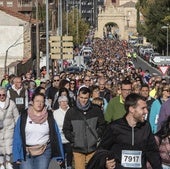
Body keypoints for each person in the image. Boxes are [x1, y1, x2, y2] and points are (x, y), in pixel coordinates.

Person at [95, 93, 162, 169]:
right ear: (132, 109)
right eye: (143, 108)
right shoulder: (115, 127)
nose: (146, 111)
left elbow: (152, 152)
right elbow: (102, 149)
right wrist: (105, 162)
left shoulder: (146, 127)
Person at [12, 93, 64, 169]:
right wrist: (17, 156)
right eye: (37, 101)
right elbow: (17, 136)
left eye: (42, 102)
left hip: (44, 150)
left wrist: (60, 155)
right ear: (32, 102)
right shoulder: (24, 116)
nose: (39, 104)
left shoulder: (49, 116)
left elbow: (56, 135)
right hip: (26, 151)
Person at [63, 87, 106, 169]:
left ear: (89, 97)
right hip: (78, 149)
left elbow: (102, 125)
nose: (83, 100)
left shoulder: (96, 110)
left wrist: (96, 136)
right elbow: (66, 129)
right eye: (81, 97)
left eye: (86, 98)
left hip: (93, 148)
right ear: (78, 96)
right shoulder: (71, 112)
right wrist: (74, 139)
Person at [0, 87, 19, 169]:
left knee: (8, 146)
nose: (1, 96)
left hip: (9, 128)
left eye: (3, 94)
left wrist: (16, 127)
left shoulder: (11, 103)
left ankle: (8, 162)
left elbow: (16, 116)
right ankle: (1, 164)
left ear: (6, 94)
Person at [53, 96, 73, 169]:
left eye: (65, 101)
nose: (64, 103)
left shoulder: (71, 111)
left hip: (69, 136)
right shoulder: (55, 113)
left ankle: (69, 166)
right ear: (59, 103)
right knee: (61, 154)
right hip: (60, 137)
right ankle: (62, 166)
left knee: (70, 153)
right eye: (62, 101)